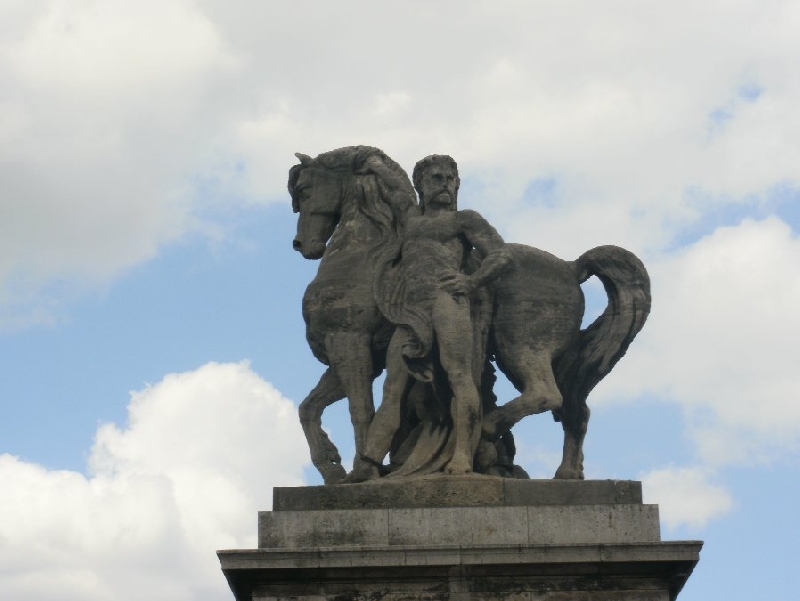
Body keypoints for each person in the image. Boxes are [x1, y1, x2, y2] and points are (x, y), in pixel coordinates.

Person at [349, 154, 511, 480]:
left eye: (450, 179)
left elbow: (501, 254)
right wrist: (373, 163)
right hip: (410, 312)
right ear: (421, 185)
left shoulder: (465, 219)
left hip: (447, 301)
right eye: (436, 178)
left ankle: (463, 454)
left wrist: (471, 281)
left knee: (460, 377)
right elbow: (395, 188)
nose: (444, 185)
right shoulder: (410, 218)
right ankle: (368, 461)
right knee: (392, 389)